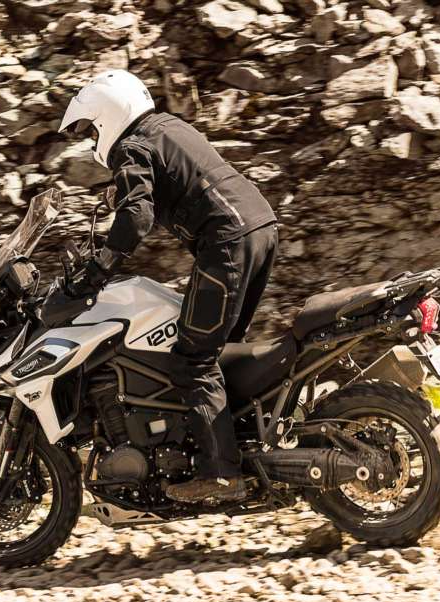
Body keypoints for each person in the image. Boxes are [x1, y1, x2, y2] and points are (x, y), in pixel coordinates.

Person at [58, 70, 279, 504]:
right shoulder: (166, 127)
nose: (92, 141)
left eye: (91, 130)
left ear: (106, 116)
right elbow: (174, 181)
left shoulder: (131, 147)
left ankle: (222, 475)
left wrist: (100, 268)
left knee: (192, 360)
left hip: (227, 241)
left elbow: (136, 217)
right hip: (260, 227)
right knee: (220, 351)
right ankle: (244, 448)